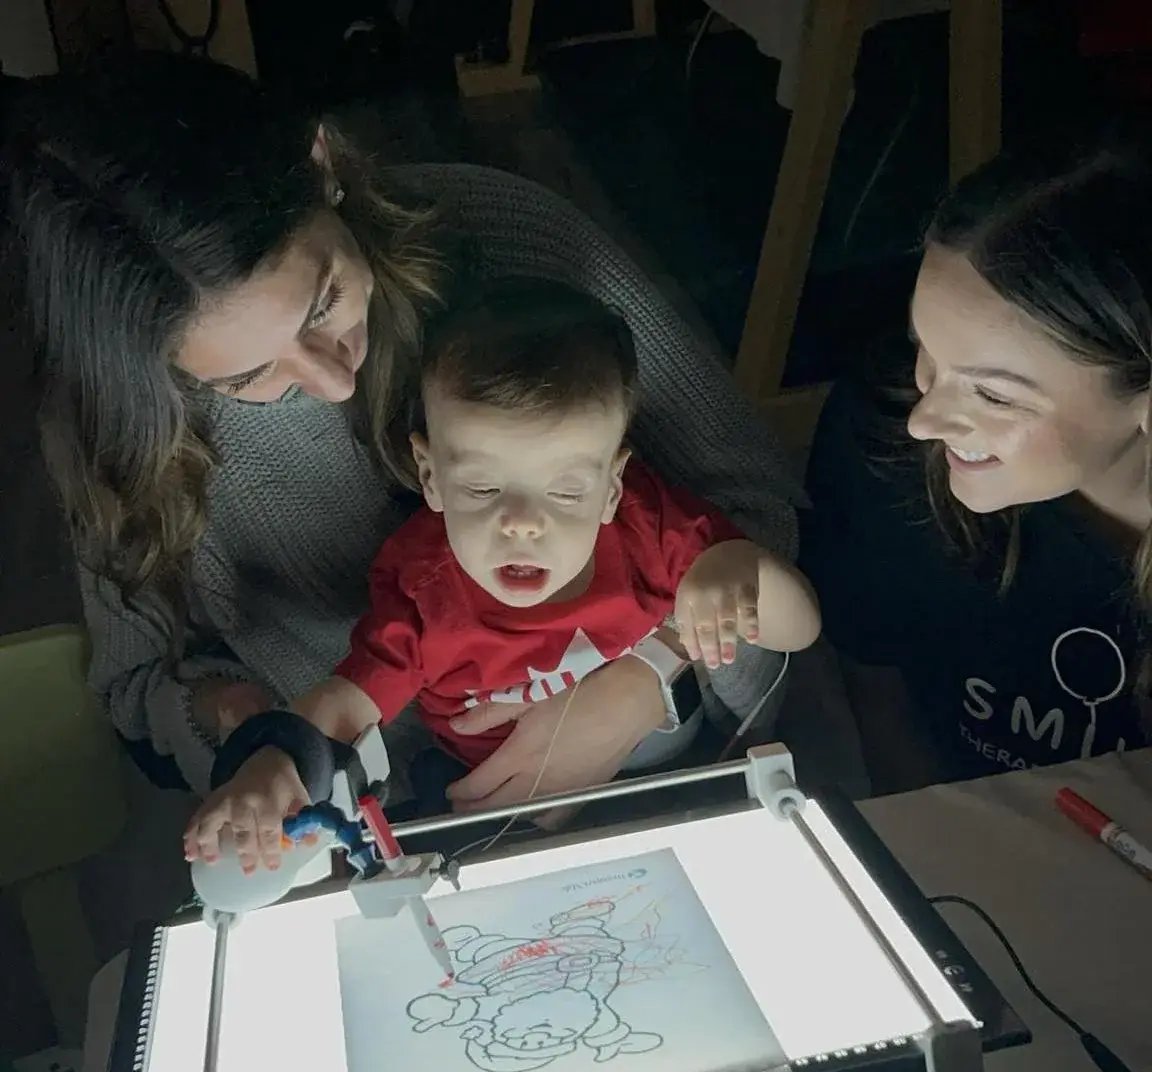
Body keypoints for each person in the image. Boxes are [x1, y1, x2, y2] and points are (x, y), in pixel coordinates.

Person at [4, 53, 803, 816]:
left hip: (675, 757)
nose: (330, 380)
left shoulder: (512, 240)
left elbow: (752, 508)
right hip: (379, 814)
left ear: (321, 164)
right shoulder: (117, 425)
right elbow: (140, 683)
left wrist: (643, 680)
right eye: (245, 381)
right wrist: (241, 722)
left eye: (324, 304)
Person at [183, 278, 819, 871]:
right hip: (499, 813)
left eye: (566, 494)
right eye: (484, 487)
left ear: (610, 486)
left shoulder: (652, 530)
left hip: (680, 773)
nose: (521, 524)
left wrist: (740, 567)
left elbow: (800, 630)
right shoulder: (424, 590)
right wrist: (272, 764)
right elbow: (350, 701)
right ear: (431, 477)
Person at [802, 137, 1152, 791]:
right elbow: (875, 693)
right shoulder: (885, 447)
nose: (924, 420)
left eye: (993, 395)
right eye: (926, 350)